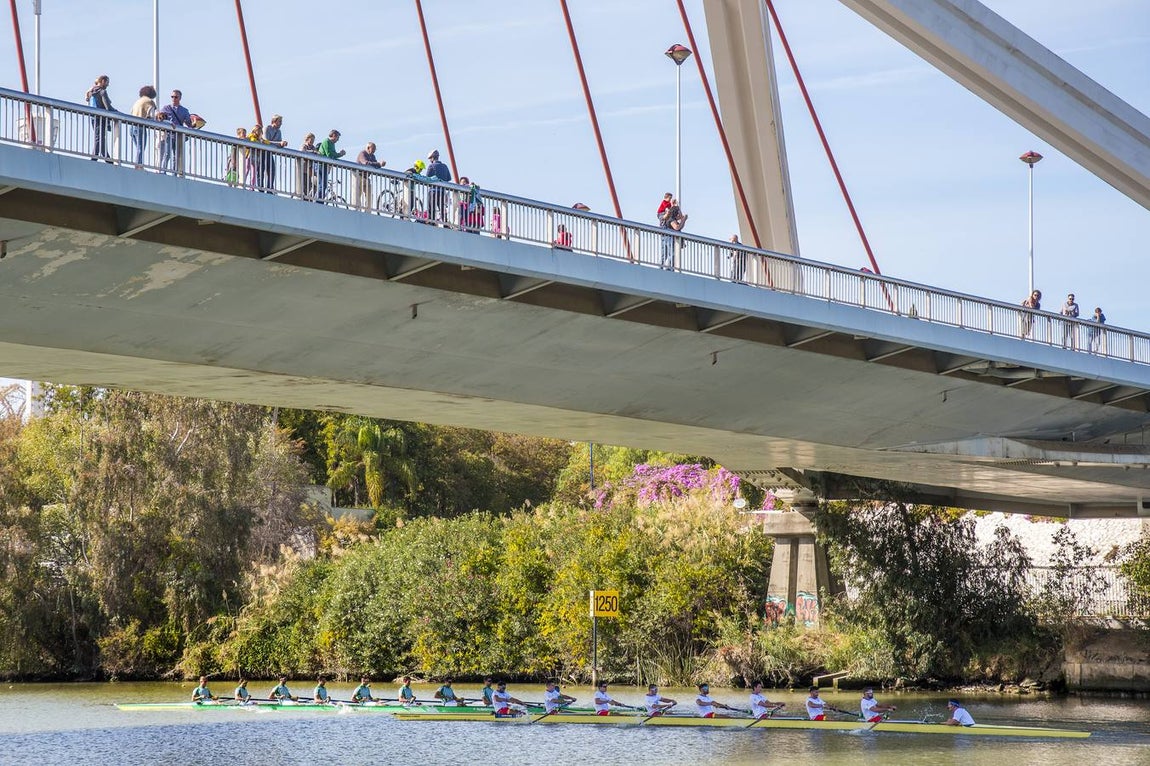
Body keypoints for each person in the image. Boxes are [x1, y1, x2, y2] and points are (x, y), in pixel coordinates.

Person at [157, 89, 193, 175]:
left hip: (179, 136)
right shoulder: (166, 108)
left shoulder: (184, 110)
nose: (173, 98)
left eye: (176, 97)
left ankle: (174, 173)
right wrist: (169, 122)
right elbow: (159, 118)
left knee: (176, 156)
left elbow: (189, 123)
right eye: (172, 96)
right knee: (167, 153)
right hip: (169, 134)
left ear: (180, 98)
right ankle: (163, 171)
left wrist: (193, 125)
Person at [85, 75, 116, 162]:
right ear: (102, 81)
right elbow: (108, 107)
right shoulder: (102, 92)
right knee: (100, 137)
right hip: (101, 118)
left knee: (99, 137)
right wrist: (116, 112)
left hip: (93, 117)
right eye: (107, 82)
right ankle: (95, 158)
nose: (108, 85)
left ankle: (106, 157)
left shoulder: (91, 92)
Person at [128, 85, 157, 168]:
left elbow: (131, 112)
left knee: (138, 148)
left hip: (132, 126)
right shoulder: (150, 101)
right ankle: (138, 165)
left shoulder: (138, 101)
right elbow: (151, 115)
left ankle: (138, 164)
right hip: (140, 127)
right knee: (141, 148)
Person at [315, 130, 345, 203]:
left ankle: (319, 201)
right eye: (337, 137)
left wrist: (338, 154)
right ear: (334, 135)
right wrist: (340, 154)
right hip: (320, 165)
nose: (338, 140)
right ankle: (318, 201)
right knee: (322, 185)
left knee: (323, 185)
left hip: (324, 165)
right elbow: (329, 155)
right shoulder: (326, 141)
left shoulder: (332, 144)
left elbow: (333, 155)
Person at [425, 149, 452, 223]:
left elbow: (427, 178)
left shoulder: (431, 166)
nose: (430, 160)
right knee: (442, 208)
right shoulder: (445, 166)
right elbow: (448, 178)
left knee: (431, 209)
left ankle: (432, 222)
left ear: (432, 158)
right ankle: (445, 223)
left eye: (430, 158)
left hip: (433, 191)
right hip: (442, 192)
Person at [659, 198, 687, 269]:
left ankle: (661, 267)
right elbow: (677, 227)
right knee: (672, 254)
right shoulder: (671, 220)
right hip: (669, 238)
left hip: (665, 237)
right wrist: (684, 220)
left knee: (664, 255)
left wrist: (677, 206)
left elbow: (681, 217)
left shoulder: (670, 218)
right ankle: (669, 269)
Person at [263, 114, 288, 192]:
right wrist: (279, 143)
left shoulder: (279, 132)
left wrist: (283, 144)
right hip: (263, 151)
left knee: (272, 170)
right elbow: (266, 141)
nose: (281, 123)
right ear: (274, 121)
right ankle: (261, 187)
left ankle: (270, 188)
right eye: (279, 121)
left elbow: (279, 143)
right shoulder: (267, 128)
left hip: (270, 153)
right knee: (261, 170)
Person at [355, 142, 383, 210]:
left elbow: (375, 165)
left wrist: (379, 164)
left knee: (369, 194)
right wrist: (378, 163)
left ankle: (368, 210)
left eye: (375, 149)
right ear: (368, 148)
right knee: (358, 194)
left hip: (366, 177)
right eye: (373, 149)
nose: (374, 151)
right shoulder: (362, 154)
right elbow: (366, 163)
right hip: (359, 176)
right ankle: (357, 209)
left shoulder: (372, 156)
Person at [246, 124, 269, 191]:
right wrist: (259, 142)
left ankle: (252, 187)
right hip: (249, 156)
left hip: (256, 158)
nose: (259, 132)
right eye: (257, 131)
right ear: (254, 131)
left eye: (260, 131)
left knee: (253, 173)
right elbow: (252, 140)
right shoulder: (251, 136)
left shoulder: (261, 139)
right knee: (246, 170)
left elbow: (267, 142)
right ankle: (242, 184)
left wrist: (262, 141)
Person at [297, 132, 318, 200]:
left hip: (311, 169)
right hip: (304, 169)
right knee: (306, 185)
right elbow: (302, 152)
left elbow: (316, 154)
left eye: (313, 140)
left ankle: (310, 197)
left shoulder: (313, 147)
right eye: (311, 139)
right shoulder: (304, 146)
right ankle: (306, 198)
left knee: (314, 184)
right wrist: (312, 152)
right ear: (307, 139)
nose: (312, 141)